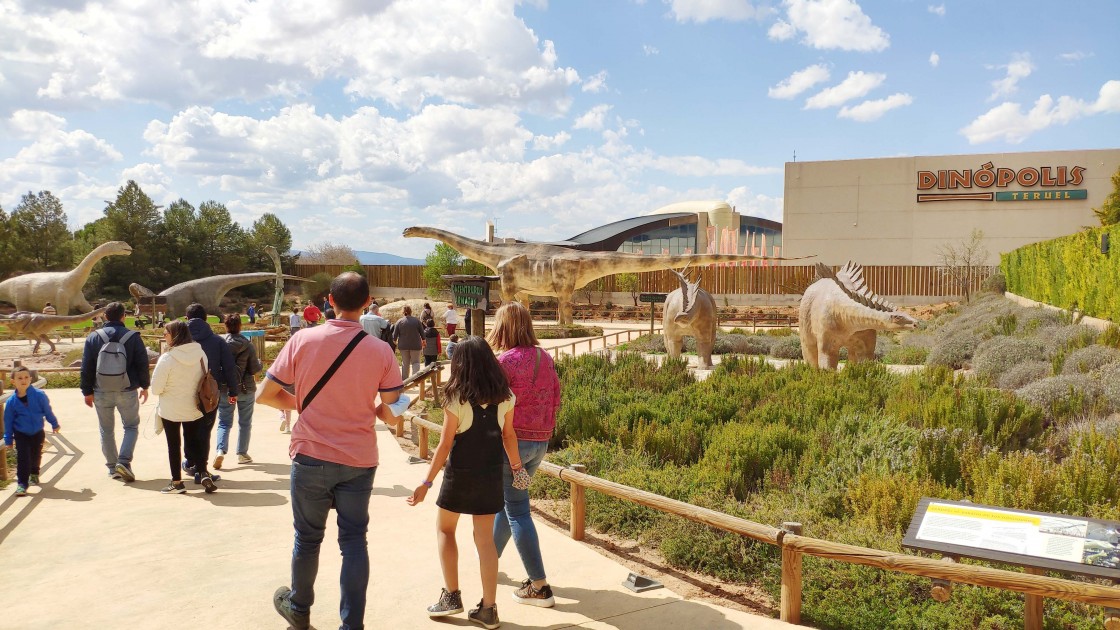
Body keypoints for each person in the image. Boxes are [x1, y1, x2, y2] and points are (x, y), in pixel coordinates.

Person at [257, 272, 403, 630]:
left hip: (310, 455)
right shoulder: (380, 350)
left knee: (307, 538)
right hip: (359, 459)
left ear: (329, 301)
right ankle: (352, 624)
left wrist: (304, 405)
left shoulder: (302, 340)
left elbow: (265, 395)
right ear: (368, 303)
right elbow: (393, 413)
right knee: (354, 541)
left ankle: (299, 608)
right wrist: (375, 408)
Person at [407, 336, 524, 629]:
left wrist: (426, 482)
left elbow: (445, 445)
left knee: (445, 529)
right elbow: (508, 436)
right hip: (490, 474)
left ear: (461, 364)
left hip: (460, 475)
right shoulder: (506, 396)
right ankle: (489, 609)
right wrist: (517, 468)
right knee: (485, 541)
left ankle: (452, 596)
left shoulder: (456, 398)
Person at [485, 301, 561, 607]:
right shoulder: (546, 357)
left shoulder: (504, 361)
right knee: (509, 505)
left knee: (516, 510)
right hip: (538, 444)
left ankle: (539, 586)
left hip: (511, 444)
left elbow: (490, 405)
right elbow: (556, 397)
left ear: (502, 327)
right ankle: (488, 557)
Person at [80, 301, 150, 482]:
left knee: (106, 430)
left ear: (104, 316)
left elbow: (86, 367)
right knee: (131, 426)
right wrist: (145, 386)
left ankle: (112, 468)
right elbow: (142, 363)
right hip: (127, 389)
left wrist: (86, 391)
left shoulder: (93, 337)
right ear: (123, 316)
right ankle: (124, 461)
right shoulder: (133, 336)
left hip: (101, 389)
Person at [150, 321, 209, 494]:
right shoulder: (200, 354)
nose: (164, 336)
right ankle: (203, 472)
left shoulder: (168, 358)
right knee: (195, 441)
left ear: (175, 335)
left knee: (173, 445)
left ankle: (177, 482)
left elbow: (156, 388)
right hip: (194, 405)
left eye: (166, 333)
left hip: (171, 408)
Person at [184, 303, 238, 489]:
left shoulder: (180, 340)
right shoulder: (217, 341)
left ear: (186, 319)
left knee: (188, 427)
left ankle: (190, 462)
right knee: (204, 430)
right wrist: (233, 390)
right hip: (209, 393)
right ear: (206, 319)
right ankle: (201, 470)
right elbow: (229, 368)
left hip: (183, 391)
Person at [4, 366, 61, 496]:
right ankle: (22, 484)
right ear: (13, 381)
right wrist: (8, 439)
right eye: (19, 378)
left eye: (26, 377)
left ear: (30, 379)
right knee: (23, 458)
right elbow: (8, 422)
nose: (23, 380)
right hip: (21, 434)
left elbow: (48, 411)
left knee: (36, 455)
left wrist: (54, 424)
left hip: (37, 432)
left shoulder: (39, 395)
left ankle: (34, 473)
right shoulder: (11, 402)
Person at [214, 314, 261, 469]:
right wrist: (259, 364)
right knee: (245, 422)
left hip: (225, 388)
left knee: (224, 421)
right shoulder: (247, 345)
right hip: (245, 388)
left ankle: (220, 450)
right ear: (240, 326)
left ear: (225, 326)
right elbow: (254, 368)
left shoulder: (219, 344)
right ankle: (242, 453)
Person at [392, 305, 424, 379]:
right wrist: (423, 341)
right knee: (416, 362)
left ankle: (405, 380)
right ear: (411, 311)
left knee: (405, 363)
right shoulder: (417, 321)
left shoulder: (399, 321)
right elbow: (422, 333)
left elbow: (394, 336)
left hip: (403, 346)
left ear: (403, 312)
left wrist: (395, 342)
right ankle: (415, 379)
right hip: (416, 345)